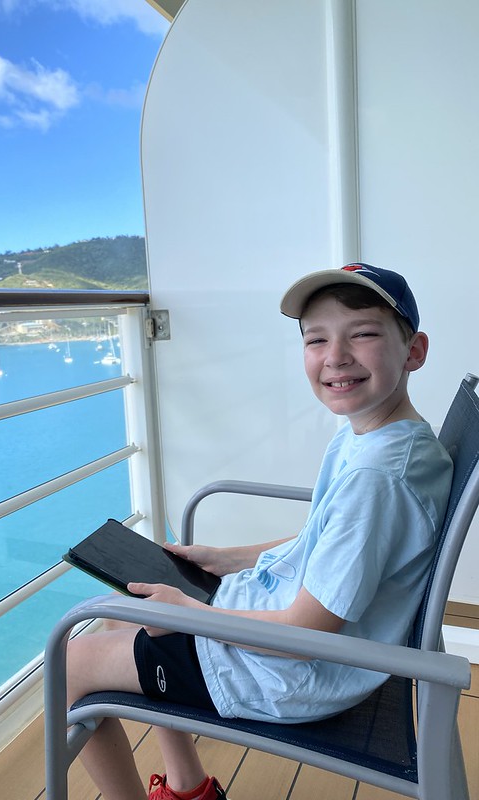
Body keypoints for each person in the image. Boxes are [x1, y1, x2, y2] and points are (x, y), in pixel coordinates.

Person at [66, 263, 453, 800]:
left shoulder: (377, 477)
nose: (336, 356)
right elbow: (322, 539)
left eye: (362, 334)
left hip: (289, 675)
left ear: (414, 351)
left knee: (69, 663)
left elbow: (308, 635)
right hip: (296, 647)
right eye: (316, 339)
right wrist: (224, 558)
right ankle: (187, 788)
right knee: (123, 614)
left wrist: (192, 614)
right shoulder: (382, 439)